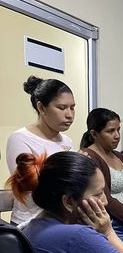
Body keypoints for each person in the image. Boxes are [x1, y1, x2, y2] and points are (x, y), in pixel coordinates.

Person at [6, 76, 75, 224]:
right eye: (62, 108)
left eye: (72, 107)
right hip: (30, 223)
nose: (69, 115)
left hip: (63, 221)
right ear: (41, 107)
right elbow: (27, 185)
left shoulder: (67, 141)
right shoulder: (20, 138)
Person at [80, 108, 123, 244]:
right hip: (113, 223)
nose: (117, 135)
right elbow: (106, 200)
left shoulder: (118, 155)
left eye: (118, 130)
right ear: (94, 134)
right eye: (110, 131)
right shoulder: (89, 157)